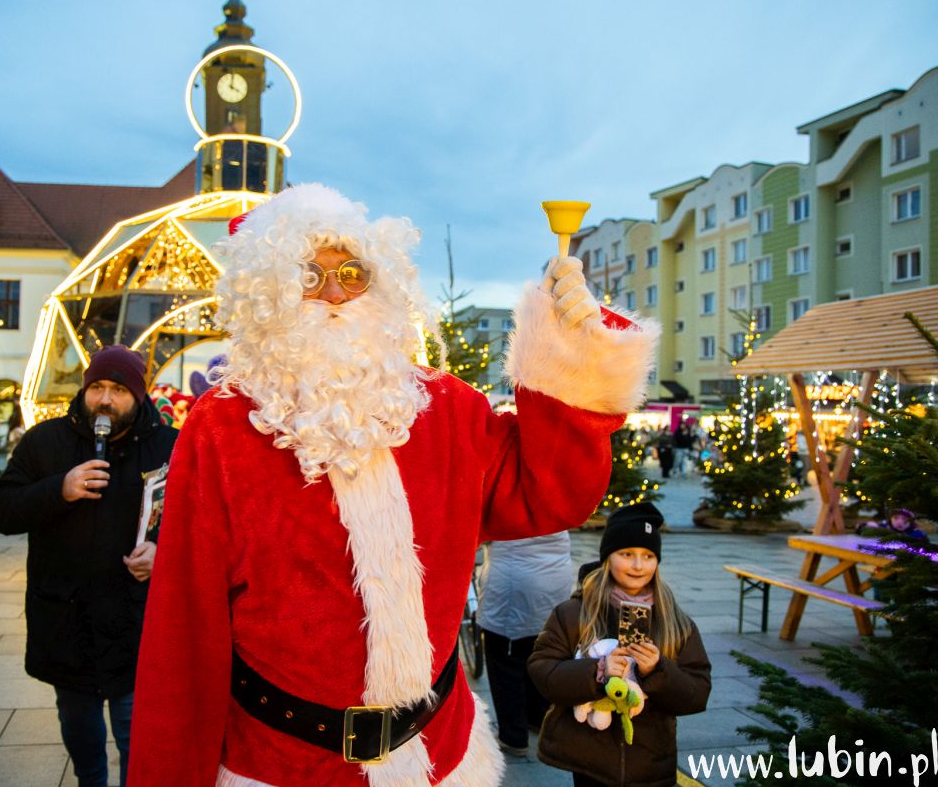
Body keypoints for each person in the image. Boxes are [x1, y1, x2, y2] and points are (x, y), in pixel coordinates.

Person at [127, 184, 660, 786]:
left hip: (439, 755)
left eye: (351, 273)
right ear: (267, 290)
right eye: (307, 274)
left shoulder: (447, 409)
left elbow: (550, 493)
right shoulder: (221, 428)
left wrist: (569, 352)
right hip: (283, 764)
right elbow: (184, 632)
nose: (333, 292)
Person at [0, 346, 177, 787]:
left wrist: (160, 551)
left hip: (136, 624)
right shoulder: (45, 441)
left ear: (139, 395)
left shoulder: (169, 446)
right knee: (81, 734)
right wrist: (61, 488)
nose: (105, 400)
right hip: (66, 622)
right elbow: (0, 511)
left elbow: (200, 521)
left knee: (138, 739)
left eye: (118, 390)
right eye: (97, 388)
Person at [528, 503, 711, 787]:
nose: (638, 566)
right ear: (607, 557)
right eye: (626, 554)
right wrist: (597, 672)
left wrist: (657, 671)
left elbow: (697, 692)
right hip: (591, 761)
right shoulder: (575, 613)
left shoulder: (675, 622)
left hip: (651, 762)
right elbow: (542, 671)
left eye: (648, 556)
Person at [477, 532, 575, 757]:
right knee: (543, 652)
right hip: (555, 578)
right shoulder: (557, 496)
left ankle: (513, 736)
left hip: (513, 582)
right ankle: (538, 717)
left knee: (506, 662)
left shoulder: (508, 496)